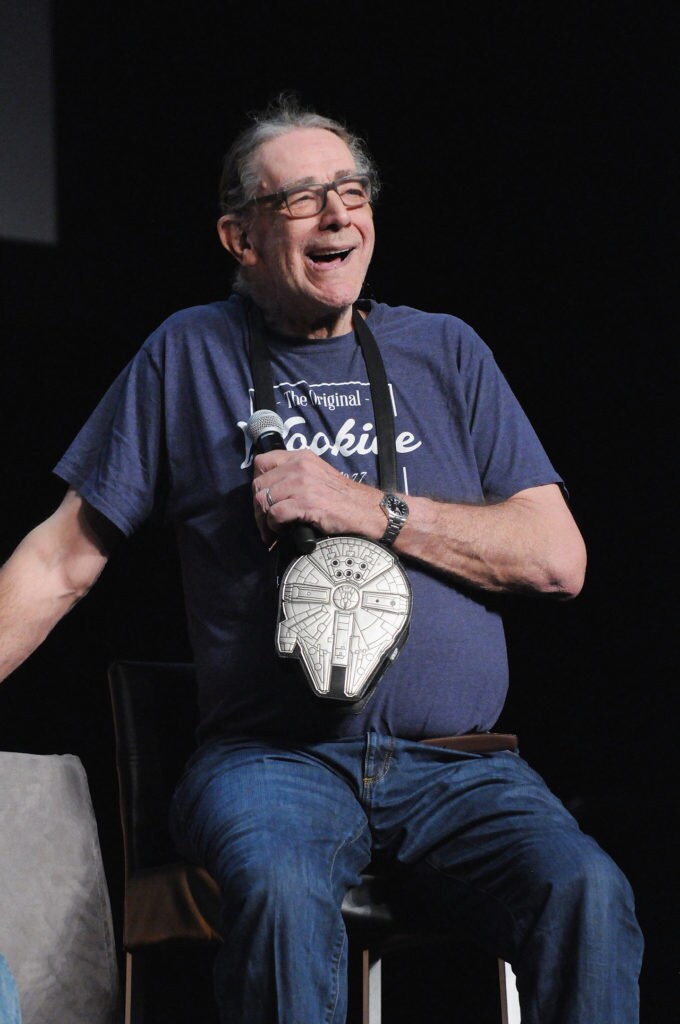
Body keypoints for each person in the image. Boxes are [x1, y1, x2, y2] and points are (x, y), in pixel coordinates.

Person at [0, 94, 642, 1023]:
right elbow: (59, 562)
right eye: (304, 198)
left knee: (586, 890)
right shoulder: (187, 354)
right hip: (271, 763)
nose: (340, 214)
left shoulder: (445, 351)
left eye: (352, 190)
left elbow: (557, 558)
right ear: (240, 236)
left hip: (461, 768)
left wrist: (360, 506)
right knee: (282, 893)